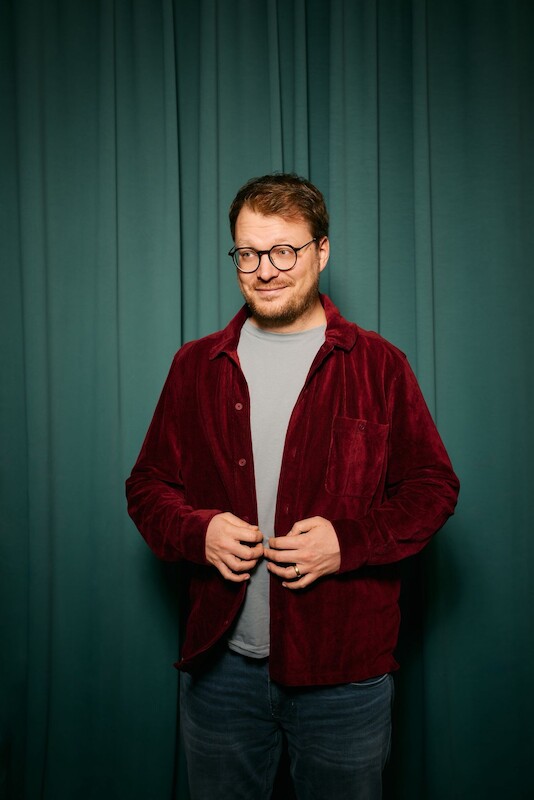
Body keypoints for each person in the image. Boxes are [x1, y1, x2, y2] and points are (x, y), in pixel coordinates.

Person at [126, 173, 459, 799]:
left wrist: (348, 543)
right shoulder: (195, 366)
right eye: (248, 253)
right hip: (220, 671)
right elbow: (147, 486)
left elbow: (433, 487)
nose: (265, 271)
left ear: (321, 251)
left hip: (344, 675)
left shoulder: (379, 365)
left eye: (284, 251)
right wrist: (198, 532)